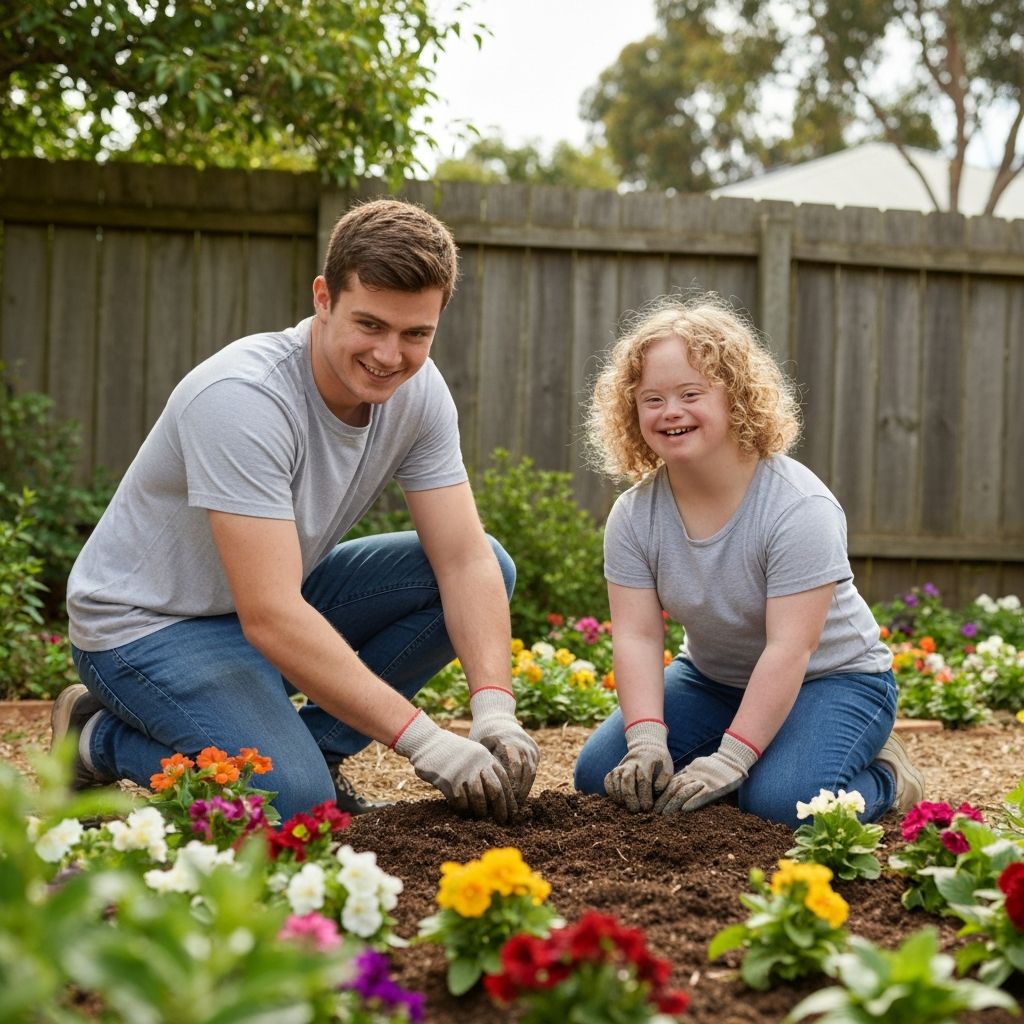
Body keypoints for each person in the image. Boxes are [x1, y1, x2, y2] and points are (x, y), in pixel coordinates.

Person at [54, 198, 538, 823]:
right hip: (146, 626)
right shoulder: (243, 398)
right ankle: (95, 738)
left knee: (488, 565)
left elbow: (465, 559)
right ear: (323, 298)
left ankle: (315, 753)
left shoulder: (418, 393)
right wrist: (424, 740)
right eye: (370, 325)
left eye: (416, 334)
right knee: (290, 804)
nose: (390, 355)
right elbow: (272, 616)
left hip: (261, 605)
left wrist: (495, 709)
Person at [573, 295, 923, 829]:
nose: (671, 411)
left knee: (781, 806)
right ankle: (756, 755)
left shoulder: (798, 507)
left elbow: (790, 648)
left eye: (691, 394)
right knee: (603, 776)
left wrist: (732, 758)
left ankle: (888, 777)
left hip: (833, 681)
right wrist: (645, 739)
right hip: (712, 681)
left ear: (735, 398)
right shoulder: (634, 514)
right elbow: (638, 636)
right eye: (652, 399)